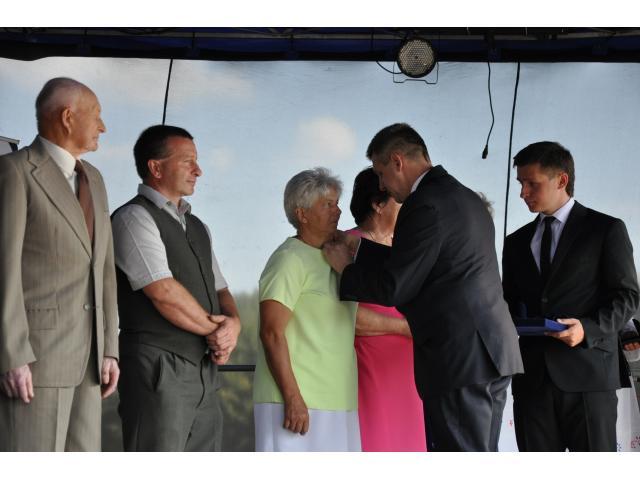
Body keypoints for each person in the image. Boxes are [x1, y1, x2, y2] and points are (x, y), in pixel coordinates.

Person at [323, 123, 523, 452]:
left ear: (398, 161)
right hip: (491, 352)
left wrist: (346, 268)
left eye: (381, 173)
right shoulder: (463, 196)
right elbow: (428, 262)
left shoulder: (423, 204)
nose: (382, 185)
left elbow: (395, 286)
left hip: (458, 358)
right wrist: (359, 248)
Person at [0, 77, 119, 451]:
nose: (103, 126)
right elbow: (4, 269)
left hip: (90, 363)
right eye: (96, 115)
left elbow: (104, 269)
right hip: (35, 360)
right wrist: (11, 355)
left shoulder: (94, 179)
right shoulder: (14, 171)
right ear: (68, 117)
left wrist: (109, 347)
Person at [502, 141, 639, 451]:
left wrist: (586, 329)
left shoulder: (606, 229)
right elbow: (508, 302)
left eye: (531, 183)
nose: (523, 192)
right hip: (531, 381)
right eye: (520, 183)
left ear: (561, 180)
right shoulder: (515, 242)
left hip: (589, 378)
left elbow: (628, 297)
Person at [111, 125, 241, 451]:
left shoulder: (198, 226)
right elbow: (163, 292)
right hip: (158, 370)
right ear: (156, 168)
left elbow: (221, 290)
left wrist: (234, 325)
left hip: (203, 372)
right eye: (188, 161)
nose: (198, 170)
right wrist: (218, 331)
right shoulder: (133, 217)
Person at [253, 167, 360, 451]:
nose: (338, 211)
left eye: (337, 203)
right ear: (302, 214)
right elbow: (271, 333)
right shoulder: (288, 259)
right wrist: (293, 398)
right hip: (297, 403)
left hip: (338, 399)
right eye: (328, 204)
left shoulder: (338, 258)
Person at [348, 167, 426, 451]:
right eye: (399, 199)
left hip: (410, 367)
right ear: (377, 204)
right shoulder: (346, 245)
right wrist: (406, 327)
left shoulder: (408, 248)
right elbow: (345, 316)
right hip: (369, 367)